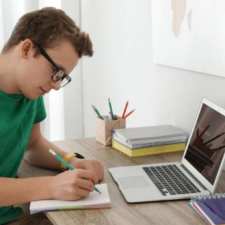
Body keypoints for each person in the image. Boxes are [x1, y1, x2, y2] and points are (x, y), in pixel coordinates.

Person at [0, 7, 104, 225]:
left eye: (62, 77)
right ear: (27, 48)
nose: (56, 86)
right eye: (55, 72)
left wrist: (72, 162)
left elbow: (33, 145)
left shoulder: (29, 90)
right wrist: (50, 186)